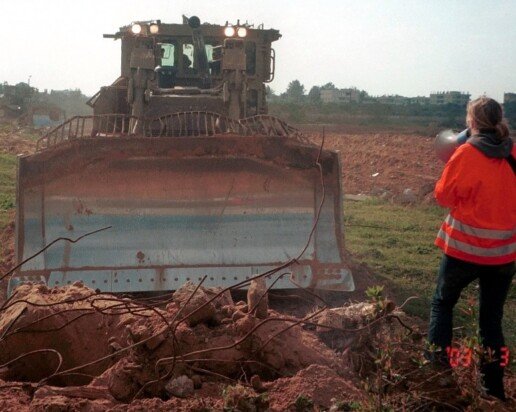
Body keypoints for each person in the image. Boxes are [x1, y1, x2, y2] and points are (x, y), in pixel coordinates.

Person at [428, 96, 515, 400]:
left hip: (464, 252)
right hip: (504, 255)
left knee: (442, 304)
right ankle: (495, 390)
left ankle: (439, 377)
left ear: (472, 122)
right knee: (491, 320)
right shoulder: (513, 152)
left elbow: (443, 196)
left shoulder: (465, 153)